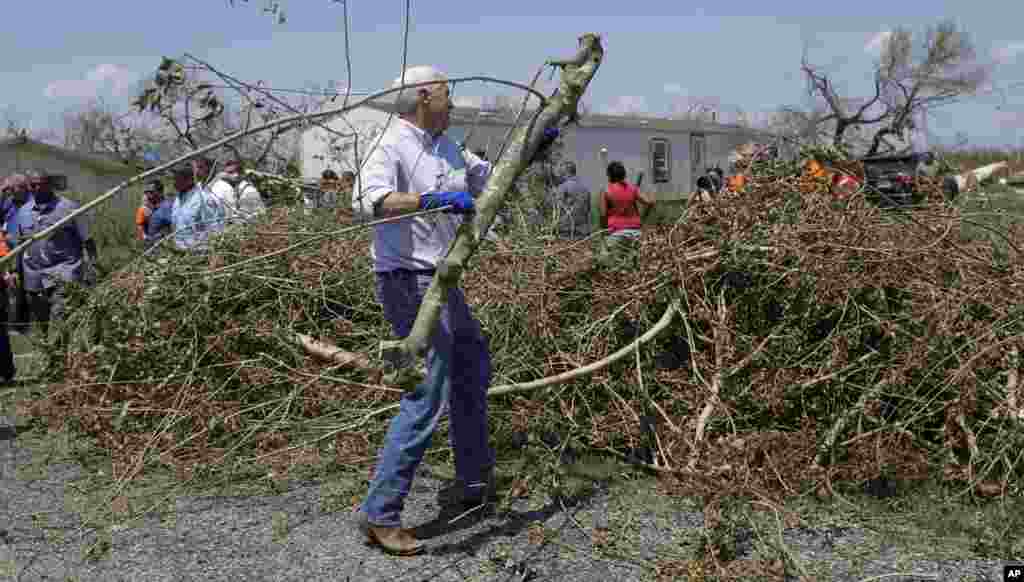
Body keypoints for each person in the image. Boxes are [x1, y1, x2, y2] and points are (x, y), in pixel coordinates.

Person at [352, 64, 495, 556]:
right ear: (422, 95)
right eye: (447, 95)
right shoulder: (389, 143)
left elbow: (488, 177)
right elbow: (368, 201)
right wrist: (431, 199)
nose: (452, 104)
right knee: (426, 388)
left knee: (473, 363)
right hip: (407, 281)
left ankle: (472, 484)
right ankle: (381, 511)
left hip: (442, 277)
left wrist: (538, 142)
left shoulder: (448, 146)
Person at [15, 170, 98, 344]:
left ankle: (60, 355)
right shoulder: (23, 212)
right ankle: (49, 354)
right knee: (42, 324)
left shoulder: (70, 208)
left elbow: (88, 239)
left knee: (60, 318)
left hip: (63, 273)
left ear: (49, 184)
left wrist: (93, 266)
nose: (36, 188)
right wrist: (16, 271)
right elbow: (20, 245)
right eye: (32, 185)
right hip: (34, 277)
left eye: (40, 184)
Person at [598, 160, 655, 267]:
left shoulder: (605, 191)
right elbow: (650, 202)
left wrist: (603, 233)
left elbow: (603, 214)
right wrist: (642, 219)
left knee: (610, 266)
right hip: (635, 233)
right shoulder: (633, 189)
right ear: (624, 174)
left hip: (616, 233)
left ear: (609, 175)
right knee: (635, 266)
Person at [170, 164, 225, 252]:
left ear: (189, 180)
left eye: (177, 179)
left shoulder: (203, 199)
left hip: (200, 253)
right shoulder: (178, 199)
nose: (174, 182)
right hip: (180, 252)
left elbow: (216, 228)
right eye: (174, 178)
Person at [209, 158, 266, 226]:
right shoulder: (235, 189)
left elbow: (250, 218)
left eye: (231, 172)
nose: (226, 175)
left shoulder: (247, 191)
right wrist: (216, 178)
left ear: (240, 174)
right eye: (226, 173)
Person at [546, 161, 591, 239]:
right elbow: (588, 210)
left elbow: (556, 209)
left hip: (566, 232)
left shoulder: (563, 187)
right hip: (584, 232)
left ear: (565, 172)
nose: (559, 175)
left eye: (561, 172)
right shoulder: (585, 190)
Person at [135, 180, 174, 247]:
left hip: (164, 246)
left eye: (151, 192)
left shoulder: (168, 207)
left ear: (160, 192)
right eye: (146, 192)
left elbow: (174, 227)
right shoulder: (146, 208)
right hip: (150, 247)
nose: (148, 195)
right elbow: (140, 228)